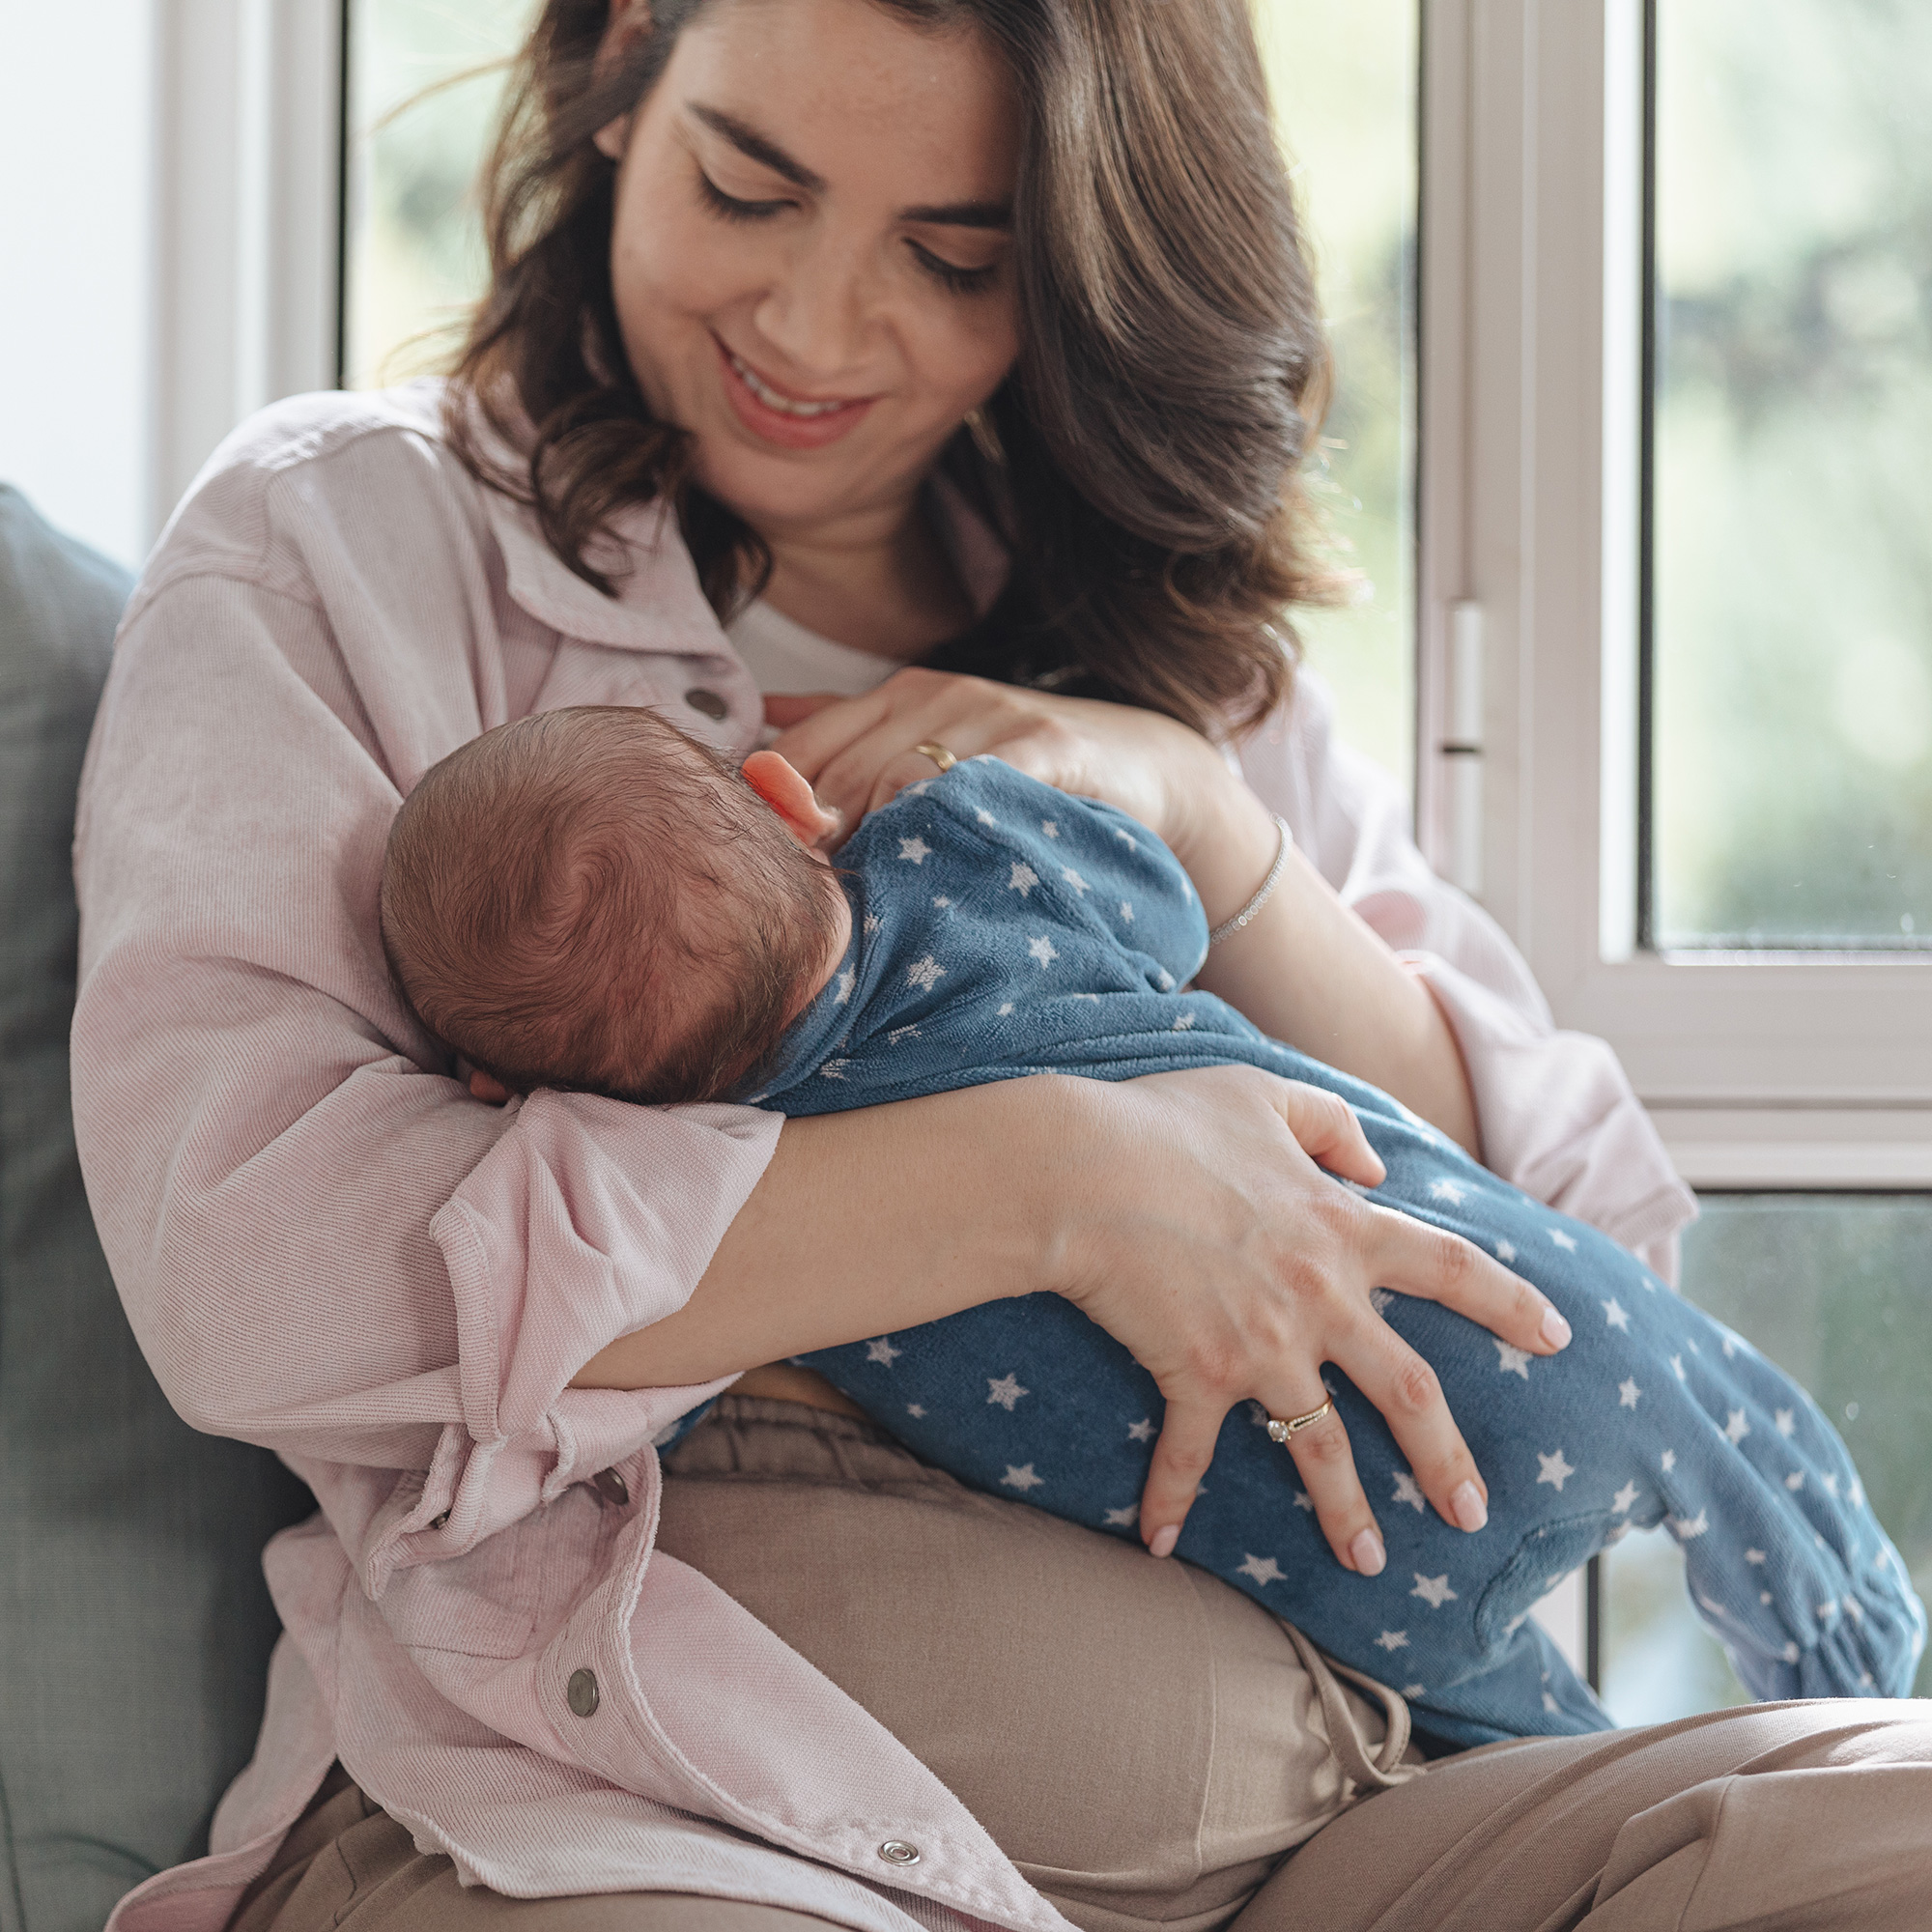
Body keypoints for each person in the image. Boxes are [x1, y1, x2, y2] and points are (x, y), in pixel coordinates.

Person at [70, 1, 1932, 1929]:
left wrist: (1211, 827)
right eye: (745, 184)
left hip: (1373, 1813)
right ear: (622, 64)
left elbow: (1559, 1248)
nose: (811, 326)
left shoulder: (1174, 656)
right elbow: (253, 1266)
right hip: (657, 1815)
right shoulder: (345, 544)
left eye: (955, 257)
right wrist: (1055, 1186)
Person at [377, 703, 1922, 1747]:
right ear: (784, 796)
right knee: (1738, 1433)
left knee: (1532, 1757)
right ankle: (1872, 1691)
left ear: (518, 1088)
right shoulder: (959, 846)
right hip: (1529, 1348)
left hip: (1345, 1576)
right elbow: (1166, 911)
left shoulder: (749, 1202)